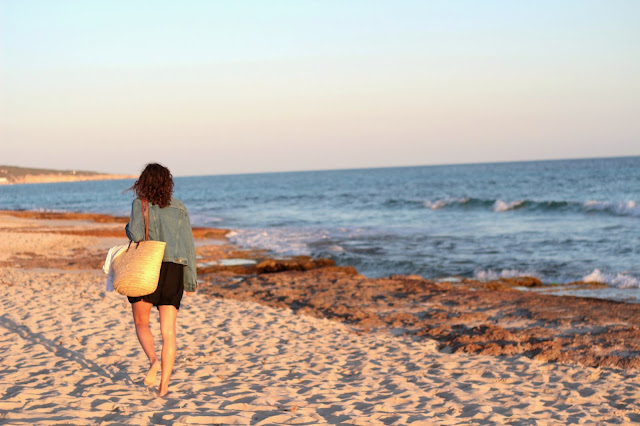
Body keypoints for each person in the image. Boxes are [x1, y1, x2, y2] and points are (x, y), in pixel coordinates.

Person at [125, 163, 197, 397]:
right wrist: (190, 280)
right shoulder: (180, 208)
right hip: (174, 269)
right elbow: (188, 246)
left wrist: (128, 226)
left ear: (143, 182)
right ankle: (164, 386)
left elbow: (135, 234)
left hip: (147, 267)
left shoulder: (140, 204)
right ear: (168, 182)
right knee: (169, 332)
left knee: (141, 323)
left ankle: (153, 360)